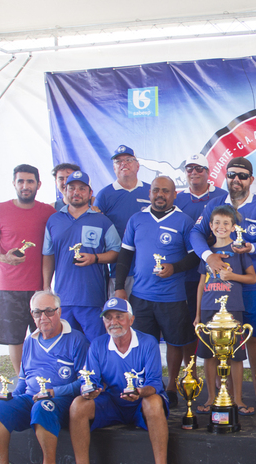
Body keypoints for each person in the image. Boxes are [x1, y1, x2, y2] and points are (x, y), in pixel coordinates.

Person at [189, 156, 256, 409]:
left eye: (242, 175)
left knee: (254, 338)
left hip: (254, 284)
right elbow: (195, 233)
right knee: (218, 341)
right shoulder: (215, 205)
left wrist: (252, 246)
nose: (236, 180)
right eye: (232, 175)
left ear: (251, 179)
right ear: (226, 177)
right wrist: (209, 257)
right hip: (219, 290)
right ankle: (224, 394)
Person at [57, 297, 173, 464]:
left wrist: (138, 393)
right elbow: (91, 381)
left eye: (119, 316)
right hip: (112, 401)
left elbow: (155, 384)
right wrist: (90, 390)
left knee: (154, 403)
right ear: (103, 322)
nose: (114, 322)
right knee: (78, 405)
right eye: (108, 318)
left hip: (140, 403)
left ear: (131, 319)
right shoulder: (98, 344)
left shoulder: (147, 342)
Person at [0, 291, 89, 464]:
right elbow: (23, 379)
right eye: (37, 313)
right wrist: (10, 398)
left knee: (42, 407)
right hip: (31, 396)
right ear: (32, 314)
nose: (43, 317)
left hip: (60, 401)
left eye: (48, 311)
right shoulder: (30, 341)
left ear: (59, 311)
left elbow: (84, 382)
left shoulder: (76, 339)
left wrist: (54, 392)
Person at [114, 176, 199, 408]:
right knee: (141, 343)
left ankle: (171, 385)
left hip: (173, 297)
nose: (160, 194)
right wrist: (119, 287)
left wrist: (175, 268)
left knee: (175, 342)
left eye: (165, 191)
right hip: (140, 296)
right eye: (155, 190)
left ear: (174, 195)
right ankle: (143, 385)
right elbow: (125, 256)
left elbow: (194, 256)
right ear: (149, 193)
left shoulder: (184, 221)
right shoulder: (137, 219)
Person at [0, 164, 56, 375]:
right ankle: (22, 379)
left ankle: (44, 377)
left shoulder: (47, 212)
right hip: (9, 287)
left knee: (45, 334)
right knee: (14, 337)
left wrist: (46, 285)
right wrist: (3, 257)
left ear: (38, 185)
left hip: (39, 289)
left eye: (30, 181)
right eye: (21, 181)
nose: (25, 185)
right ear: (14, 183)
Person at [42, 170, 121, 341]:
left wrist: (95, 258)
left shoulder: (102, 221)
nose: (76, 192)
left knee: (96, 345)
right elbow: (48, 255)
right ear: (65, 191)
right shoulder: (54, 220)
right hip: (63, 298)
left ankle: (95, 369)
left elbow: (117, 252)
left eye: (82, 188)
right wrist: (46, 286)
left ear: (90, 193)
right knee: (67, 344)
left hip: (92, 298)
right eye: (71, 188)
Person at [194, 205, 256, 414]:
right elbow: (201, 285)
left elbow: (252, 278)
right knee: (208, 355)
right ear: (211, 226)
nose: (221, 227)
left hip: (233, 310)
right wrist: (197, 315)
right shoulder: (207, 254)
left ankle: (238, 399)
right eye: (217, 223)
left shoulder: (238, 251)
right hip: (208, 310)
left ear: (233, 227)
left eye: (226, 223)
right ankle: (212, 397)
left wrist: (232, 277)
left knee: (236, 356)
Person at [175, 153, 226, 374]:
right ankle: (191, 375)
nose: (194, 173)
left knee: (218, 324)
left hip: (215, 270)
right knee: (190, 324)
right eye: (189, 169)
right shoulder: (177, 199)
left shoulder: (222, 196)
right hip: (186, 272)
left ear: (208, 172)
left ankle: (217, 377)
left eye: (199, 169)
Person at [93, 145, 152, 295]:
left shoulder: (151, 191)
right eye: (118, 161)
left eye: (128, 160)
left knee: (143, 317)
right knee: (119, 315)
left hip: (148, 270)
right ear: (113, 168)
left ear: (137, 165)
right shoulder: (104, 195)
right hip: (118, 271)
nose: (123, 164)